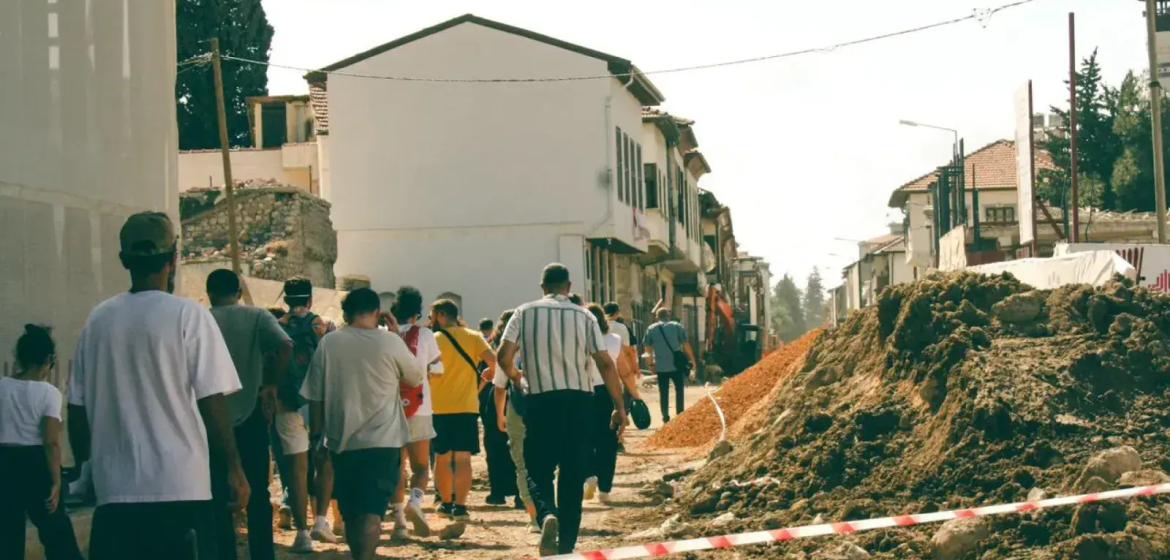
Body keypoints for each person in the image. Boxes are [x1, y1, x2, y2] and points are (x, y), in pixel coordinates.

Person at [68, 212, 247, 560]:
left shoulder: (98, 320)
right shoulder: (189, 315)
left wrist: (87, 469)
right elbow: (212, 400)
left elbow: (76, 408)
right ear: (174, 257)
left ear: (124, 260)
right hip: (182, 488)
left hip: (114, 494)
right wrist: (234, 468)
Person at [497, 263, 627, 556]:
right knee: (573, 471)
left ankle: (546, 515)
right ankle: (566, 545)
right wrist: (619, 407)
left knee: (537, 468)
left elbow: (503, 356)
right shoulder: (585, 316)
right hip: (579, 402)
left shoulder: (523, 312)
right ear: (568, 287)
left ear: (542, 287)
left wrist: (517, 379)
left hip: (541, 401)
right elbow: (605, 363)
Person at [301, 288, 424, 560]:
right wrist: (397, 337)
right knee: (372, 510)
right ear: (378, 313)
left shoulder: (329, 343)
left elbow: (315, 396)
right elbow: (415, 378)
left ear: (345, 313)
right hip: (384, 440)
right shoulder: (390, 342)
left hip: (343, 440)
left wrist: (316, 438)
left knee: (352, 512)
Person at [206, 269, 298, 558]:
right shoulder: (257, 316)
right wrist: (271, 384)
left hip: (210, 419)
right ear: (238, 292)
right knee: (258, 490)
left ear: (209, 294)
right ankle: (262, 553)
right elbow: (285, 346)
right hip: (251, 412)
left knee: (217, 492)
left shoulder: (202, 319)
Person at [0, 325, 83, 560]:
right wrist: (57, 481)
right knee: (56, 532)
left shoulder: (2, 387)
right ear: (48, 360)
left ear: (19, 357)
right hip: (36, 464)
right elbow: (50, 441)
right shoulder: (49, 393)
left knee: (7, 534)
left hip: (4, 462)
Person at [274, 277, 339, 545]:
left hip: (287, 402)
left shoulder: (276, 327)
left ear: (286, 300)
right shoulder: (324, 326)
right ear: (310, 300)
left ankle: (301, 534)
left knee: (296, 468)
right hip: (319, 402)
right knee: (325, 461)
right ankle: (321, 522)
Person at [430, 299, 497, 524]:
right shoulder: (473, 337)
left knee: (442, 457)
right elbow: (494, 362)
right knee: (463, 458)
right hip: (466, 406)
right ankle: (460, 506)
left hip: (439, 406)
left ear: (441, 315)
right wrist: (486, 377)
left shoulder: (433, 339)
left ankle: (445, 502)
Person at [389, 286, 442, 540]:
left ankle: (399, 521)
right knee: (421, 466)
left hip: (390, 408)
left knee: (396, 466)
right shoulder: (426, 335)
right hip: (420, 406)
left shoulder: (384, 334)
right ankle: (416, 502)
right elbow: (438, 369)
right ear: (417, 311)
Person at [491, 310, 537, 530]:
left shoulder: (508, 353)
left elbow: (500, 388)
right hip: (547, 407)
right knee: (547, 461)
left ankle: (534, 516)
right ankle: (550, 508)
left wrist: (500, 414)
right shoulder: (542, 347)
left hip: (518, 408)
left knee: (522, 464)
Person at [582, 304, 623, 504]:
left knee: (584, 437)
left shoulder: (579, 341)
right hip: (608, 391)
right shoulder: (614, 340)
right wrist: (622, 403)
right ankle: (605, 489)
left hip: (583, 392)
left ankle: (589, 474)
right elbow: (620, 370)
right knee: (608, 440)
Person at [481, 320, 519, 508]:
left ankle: (498, 492)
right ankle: (521, 494)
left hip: (499, 397)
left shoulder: (496, 347)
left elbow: (498, 386)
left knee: (495, 447)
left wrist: (498, 414)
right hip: (521, 397)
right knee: (521, 448)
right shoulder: (529, 348)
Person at [644, 307, 697, 423]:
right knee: (679, 390)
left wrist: (651, 364)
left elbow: (648, 349)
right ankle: (680, 414)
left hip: (661, 366)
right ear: (668, 316)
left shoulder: (651, 329)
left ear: (657, 317)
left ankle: (665, 416)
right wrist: (692, 360)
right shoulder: (677, 326)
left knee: (663, 392)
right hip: (676, 365)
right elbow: (686, 345)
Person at [603, 302, 643, 400]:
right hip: (620, 363)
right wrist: (635, 367)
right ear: (617, 313)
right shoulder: (621, 327)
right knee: (623, 392)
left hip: (602, 362)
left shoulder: (597, 326)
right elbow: (628, 350)